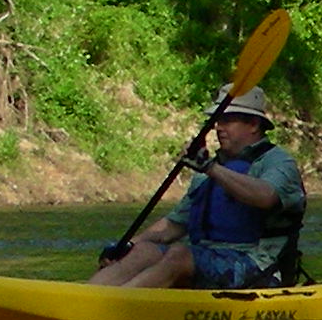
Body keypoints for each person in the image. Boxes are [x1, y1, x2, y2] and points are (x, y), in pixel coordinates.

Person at [90, 90, 307, 289]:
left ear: (253, 124)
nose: (219, 127)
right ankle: (88, 297)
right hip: (207, 258)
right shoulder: (209, 168)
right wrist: (126, 245)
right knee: (143, 251)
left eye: (228, 121)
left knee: (180, 255)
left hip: (260, 267)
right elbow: (173, 226)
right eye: (218, 121)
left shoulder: (278, 163)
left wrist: (211, 168)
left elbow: (265, 196)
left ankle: (116, 306)